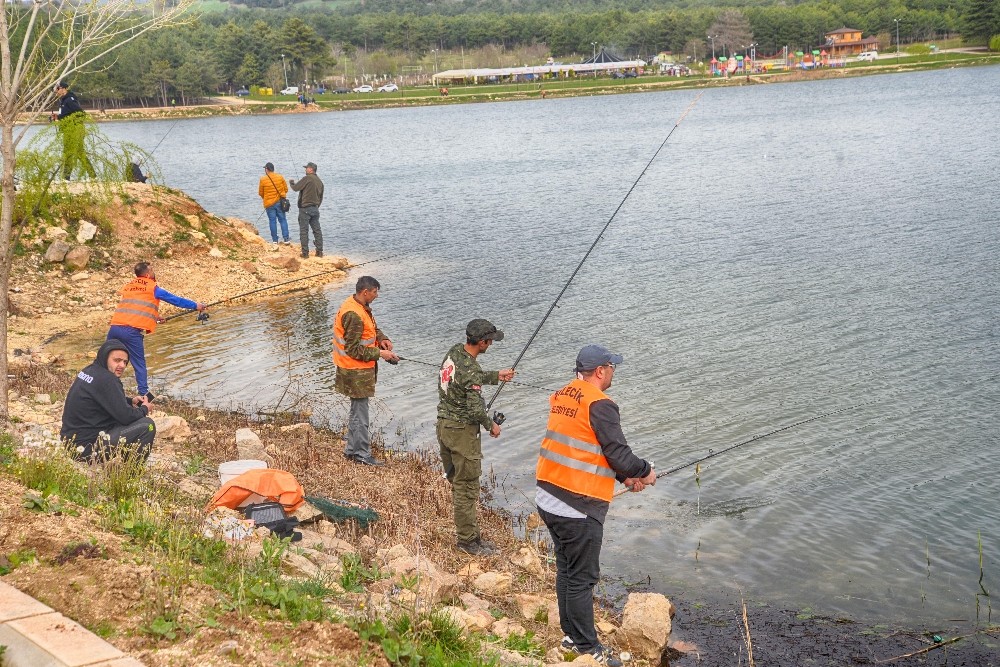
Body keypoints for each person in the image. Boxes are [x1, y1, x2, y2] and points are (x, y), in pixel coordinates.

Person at [535, 345, 656, 667]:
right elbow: (618, 453)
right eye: (612, 367)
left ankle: (571, 635)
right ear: (601, 371)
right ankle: (587, 647)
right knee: (582, 578)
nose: (614, 371)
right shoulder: (601, 404)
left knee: (567, 570)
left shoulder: (563, 395)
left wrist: (624, 478)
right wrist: (643, 471)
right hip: (577, 505)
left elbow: (588, 446)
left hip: (549, 494)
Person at [437, 319, 515, 556]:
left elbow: (466, 377)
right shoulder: (472, 370)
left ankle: (469, 535)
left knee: (458, 483)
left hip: (444, 427)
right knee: (467, 488)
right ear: (482, 342)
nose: (491, 344)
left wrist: (495, 376)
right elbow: (474, 411)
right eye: (490, 341)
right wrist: (491, 425)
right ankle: (468, 541)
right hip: (462, 434)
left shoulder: (454, 351)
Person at [107, 262, 206, 402]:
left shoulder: (129, 286)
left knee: (105, 358)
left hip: (115, 327)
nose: (154, 272)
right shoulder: (153, 288)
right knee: (139, 364)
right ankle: (143, 395)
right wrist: (196, 305)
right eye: (152, 270)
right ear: (147, 274)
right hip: (131, 332)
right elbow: (175, 300)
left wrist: (154, 316)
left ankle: (97, 383)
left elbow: (134, 306)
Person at [333, 276, 399, 466]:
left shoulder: (358, 306)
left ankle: (352, 451)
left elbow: (370, 330)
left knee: (356, 411)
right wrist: (381, 354)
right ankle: (362, 454)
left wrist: (382, 339)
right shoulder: (353, 314)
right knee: (361, 414)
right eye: (375, 292)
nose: (376, 296)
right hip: (355, 371)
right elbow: (353, 349)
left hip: (356, 370)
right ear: (365, 292)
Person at [61, 339, 156, 461]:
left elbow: (102, 398)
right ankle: (131, 474)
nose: (122, 365)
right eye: (117, 360)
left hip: (71, 443)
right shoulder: (108, 380)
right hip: (87, 449)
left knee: (123, 421)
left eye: (125, 362)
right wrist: (144, 409)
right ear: (105, 357)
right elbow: (126, 417)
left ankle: (120, 464)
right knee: (147, 425)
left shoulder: (89, 371)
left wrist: (129, 401)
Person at [54, 81, 96, 181]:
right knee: (73, 153)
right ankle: (91, 176)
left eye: (57, 89)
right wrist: (58, 117)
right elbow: (68, 114)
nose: (56, 91)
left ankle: (67, 178)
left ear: (63, 88)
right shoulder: (64, 100)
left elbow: (80, 114)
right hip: (69, 130)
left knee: (74, 153)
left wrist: (73, 126)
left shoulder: (69, 100)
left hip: (74, 130)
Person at [289, 162, 324, 258]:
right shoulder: (320, 181)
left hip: (305, 209)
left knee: (304, 230)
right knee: (317, 230)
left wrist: (291, 183)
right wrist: (316, 207)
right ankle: (319, 252)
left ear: (311, 169)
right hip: (315, 209)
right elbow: (321, 198)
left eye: (306, 168)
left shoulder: (307, 178)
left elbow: (296, 188)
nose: (305, 170)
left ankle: (305, 253)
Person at [258, 162, 291, 246]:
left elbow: (260, 193)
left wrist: (267, 198)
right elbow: (286, 189)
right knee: (283, 220)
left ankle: (275, 240)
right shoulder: (280, 177)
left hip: (269, 204)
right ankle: (286, 239)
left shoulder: (263, 179)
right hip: (280, 202)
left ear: (267, 169)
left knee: (272, 221)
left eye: (265, 169)